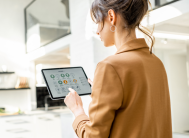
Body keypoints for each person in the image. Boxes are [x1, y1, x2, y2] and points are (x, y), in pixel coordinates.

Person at [64, 0, 172, 138]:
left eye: (97, 22)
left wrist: (78, 110)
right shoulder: (157, 63)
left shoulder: (109, 66)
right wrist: (101, 92)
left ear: (111, 17)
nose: (97, 31)